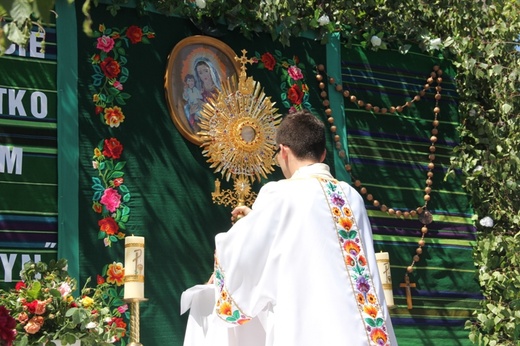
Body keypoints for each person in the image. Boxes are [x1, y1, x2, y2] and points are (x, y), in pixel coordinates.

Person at [181, 109, 398, 346]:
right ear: (323, 154)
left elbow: (244, 258)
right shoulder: (351, 197)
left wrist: (225, 261)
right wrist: (257, 218)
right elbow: (316, 241)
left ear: (283, 151)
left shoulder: (280, 194)